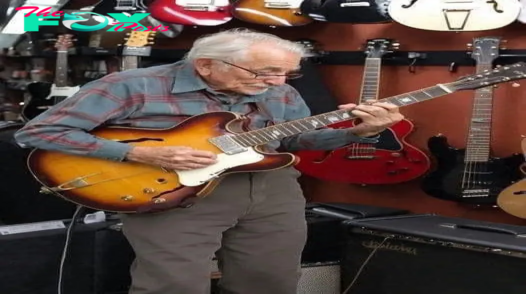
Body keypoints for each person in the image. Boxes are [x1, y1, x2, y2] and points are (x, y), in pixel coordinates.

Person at [14, 28, 404, 294]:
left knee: (271, 281)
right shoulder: (130, 86)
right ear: (206, 65)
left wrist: (359, 132)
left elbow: (293, 138)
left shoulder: (277, 91)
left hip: (271, 191)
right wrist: (137, 151)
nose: (279, 83)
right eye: (265, 72)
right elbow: (36, 133)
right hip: (173, 191)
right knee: (174, 284)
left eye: (287, 73)